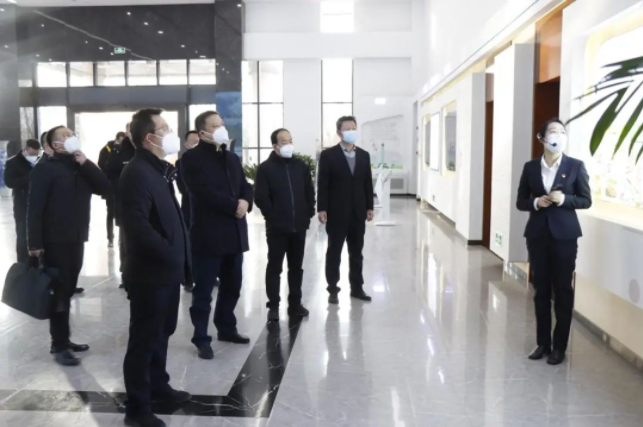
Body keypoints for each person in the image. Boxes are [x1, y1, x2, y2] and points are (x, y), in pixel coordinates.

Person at [120, 108, 192, 427]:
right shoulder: (136, 172)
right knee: (144, 340)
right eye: (164, 128)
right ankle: (137, 408)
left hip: (167, 270)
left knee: (162, 333)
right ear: (149, 137)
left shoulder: (158, 169)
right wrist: (171, 253)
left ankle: (158, 386)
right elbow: (137, 226)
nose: (170, 133)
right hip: (150, 273)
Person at [27, 126, 110, 366]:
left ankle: (64, 339)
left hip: (77, 237)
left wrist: (86, 163)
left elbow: (105, 188)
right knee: (59, 292)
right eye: (64, 135)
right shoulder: (44, 168)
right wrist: (34, 243)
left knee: (69, 288)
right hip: (54, 239)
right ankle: (59, 345)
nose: (70, 137)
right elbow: (34, 208)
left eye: (71, 133)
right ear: (55, 145)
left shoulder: (79, 166)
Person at [516, 118, 592, 366]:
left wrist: (564, 200)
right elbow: (521, 201)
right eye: (553, 131)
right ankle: (542, 343)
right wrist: (536, 202)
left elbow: (586, 200)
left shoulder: (575, 166)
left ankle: (559, 347)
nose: (558, 135)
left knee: (563, 290)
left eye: (561, 131)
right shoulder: (530, 167)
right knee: (540, 290)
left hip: (565, 237)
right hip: (538, 236)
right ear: (542, 138)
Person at [181, 111, 254, 360]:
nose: (222, 129)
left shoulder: (231, 157)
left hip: (235, 233)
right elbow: (202, 192)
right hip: (209, 234)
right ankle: (201, 338)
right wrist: (234, 206)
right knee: (203, 291)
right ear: (202, 133)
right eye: (215, 126)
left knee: (232, 286)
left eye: (222, 124)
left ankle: (226, 328)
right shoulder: (191, 159)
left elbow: (244, 185)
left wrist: (245, 201)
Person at [255, 128, 315, 322]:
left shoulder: (300, 166)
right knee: (275, 267)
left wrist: (308, 213)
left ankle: (295, 303)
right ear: (275, 146)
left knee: (296, 267)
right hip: (277, 228)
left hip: (299, 226)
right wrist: (273, 217)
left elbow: (309, 191)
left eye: (290, 140)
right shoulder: (265, 168)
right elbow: (261, 197)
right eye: (284, 142)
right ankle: (273, 306)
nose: (288, 144)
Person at [317, 116, 374, 305]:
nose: (351, 131)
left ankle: (357, 288)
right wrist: (322, 208)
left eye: (353, 128)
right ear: (339, 133)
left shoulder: (364, 155)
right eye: (347, 128)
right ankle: (333, 288)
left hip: (358, 213)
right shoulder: (328, 155)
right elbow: (323, 183)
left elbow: (367, 183)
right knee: (334, 252)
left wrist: (370, 206)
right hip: (336, 213)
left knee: (356, 253)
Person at [107, 126, 136, 289]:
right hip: (124, 204)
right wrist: (117, 148)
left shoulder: (147, 149)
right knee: (125, 241)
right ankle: (126, 274)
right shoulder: (119, 150)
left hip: (146, 203)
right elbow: (110, 168)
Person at [3, 139, 41, 263]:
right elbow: (9, 182)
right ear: (26, 149)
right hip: (22, 204)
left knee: (38, 235)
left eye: (36, 154)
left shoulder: (40, 161)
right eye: (32, 154)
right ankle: (23, 264)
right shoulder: (13, 162)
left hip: (39, 204)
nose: (34, 156)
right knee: (22, 236)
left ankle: (39, 264)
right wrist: (29, 178)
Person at [176, 130, 199, 293]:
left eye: (198, 141)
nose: (195, 144)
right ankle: (188, 279)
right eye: (192, 142)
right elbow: (183, 188)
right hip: (189, 209)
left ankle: (208, 276)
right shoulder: (180, 163)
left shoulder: (208, 162)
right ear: (186, 144)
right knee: (189, 245)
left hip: (207, 211)